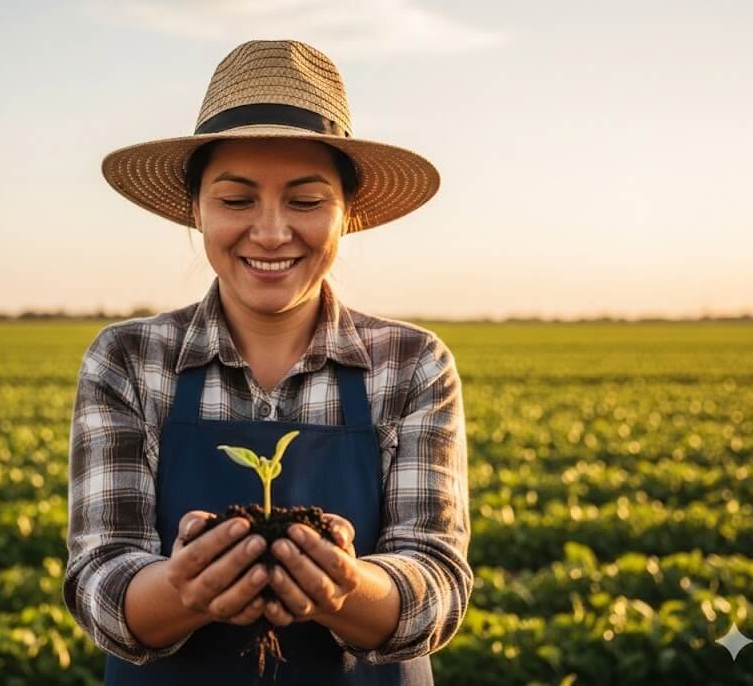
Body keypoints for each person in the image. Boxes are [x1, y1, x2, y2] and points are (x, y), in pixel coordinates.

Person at [63, 39, 472, 685]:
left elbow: (438, 580)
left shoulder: (412, 365)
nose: (273, 231)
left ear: (348, 212)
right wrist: (181, 589)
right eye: (237, 199)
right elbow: (98, 577)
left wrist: (346, 587)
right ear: (196, 208)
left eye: (306, 201)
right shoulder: (129, 360)